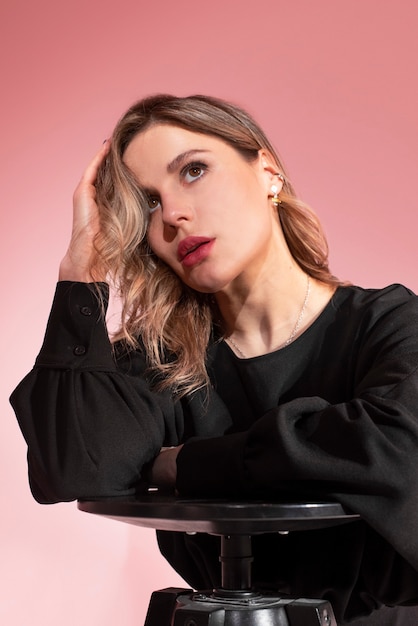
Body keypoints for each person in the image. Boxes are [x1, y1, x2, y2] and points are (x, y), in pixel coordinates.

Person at [10, 94, 418, 625]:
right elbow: (78, 467)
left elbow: (399, 446)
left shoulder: (388, 322)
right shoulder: (162, 364)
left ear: (267, 171)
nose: (175, 214)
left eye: (194, 170)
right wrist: (80, 269)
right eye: (149, 204)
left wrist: (187, 463)